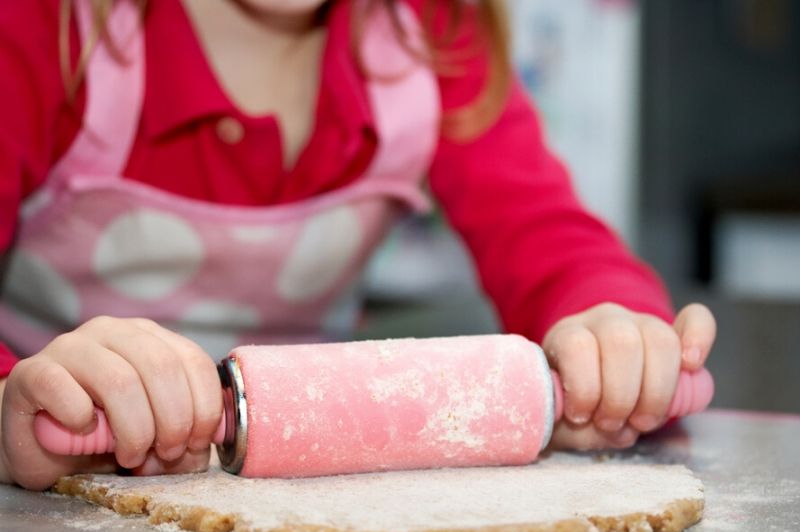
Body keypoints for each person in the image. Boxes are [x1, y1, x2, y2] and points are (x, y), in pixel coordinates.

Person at [0, 0, 716, 491]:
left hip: (302, 478)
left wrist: (612, 333)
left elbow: (548, 236)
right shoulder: (50, 29)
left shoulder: (426, 33)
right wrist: (12, 411)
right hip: (76, 467)